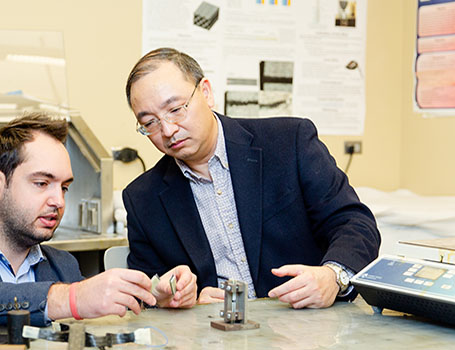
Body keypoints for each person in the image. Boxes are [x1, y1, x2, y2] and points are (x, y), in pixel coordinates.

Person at [122, 48, 380, 309]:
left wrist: (332, 276)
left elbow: (355, 223)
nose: (168, 130)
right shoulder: (143, 198)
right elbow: (147, 286)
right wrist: (173, 298)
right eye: (150, 123)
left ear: (206, 93)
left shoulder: (289, 142)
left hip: (305, 327)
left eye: (176, 109)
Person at [0, 114, 198, 327]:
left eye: (64, 187)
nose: (58, 201)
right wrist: (66, 299)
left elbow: (99, 318)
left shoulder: (63, 266)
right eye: (42, 183)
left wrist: (153, 298)